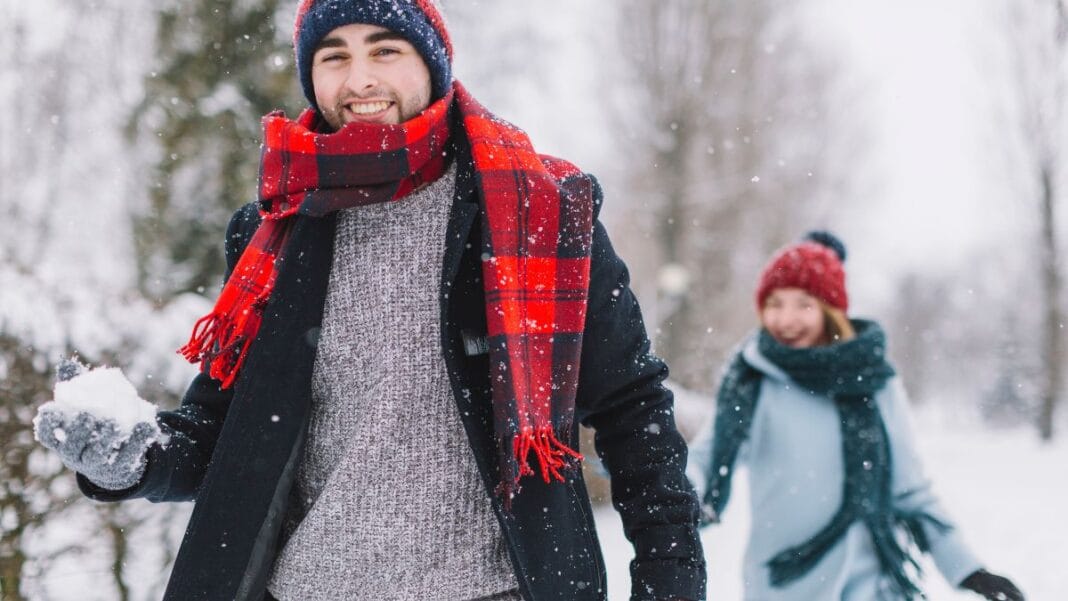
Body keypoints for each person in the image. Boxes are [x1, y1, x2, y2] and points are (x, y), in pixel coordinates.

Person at [32, 2, 705, 600]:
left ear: (433, 65)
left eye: (385, 49)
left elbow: (633, 414)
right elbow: (223, 436)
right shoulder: (275, 230)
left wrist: (670, 579)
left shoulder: (539, 212)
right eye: (335, 56)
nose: (360, 80)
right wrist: (137, 456)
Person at [685, 231, 1025, 601]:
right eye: (775, 303)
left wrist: (969, 570)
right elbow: (707, 458)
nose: (786, 318)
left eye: (804, 304)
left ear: (831, 310)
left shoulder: (874, 382)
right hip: (784, 585)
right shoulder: (752, 383)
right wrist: (664, 481)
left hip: (872, 585)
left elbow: (910, 493)